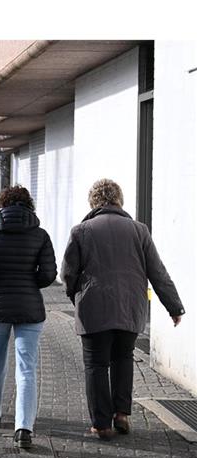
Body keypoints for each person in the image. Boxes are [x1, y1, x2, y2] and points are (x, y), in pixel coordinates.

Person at [61, 179, 184, 440]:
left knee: (96, 364)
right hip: (130, 307)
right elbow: (157, 272)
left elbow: (68, 273)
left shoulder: (81, 231)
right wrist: (174, 306)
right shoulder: (139, 230)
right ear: (120, 201)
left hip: (94, 309)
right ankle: (122, 414)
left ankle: (101, 424)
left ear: (93, 202)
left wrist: (76, 297)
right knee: (123, 359)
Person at [0, 185, 57, 449]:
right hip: (30, 308)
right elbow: (48, 275)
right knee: (27, 369)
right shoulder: (40, 235)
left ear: (1, 205)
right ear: (28, 205)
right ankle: (24, 428)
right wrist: (27, 281)